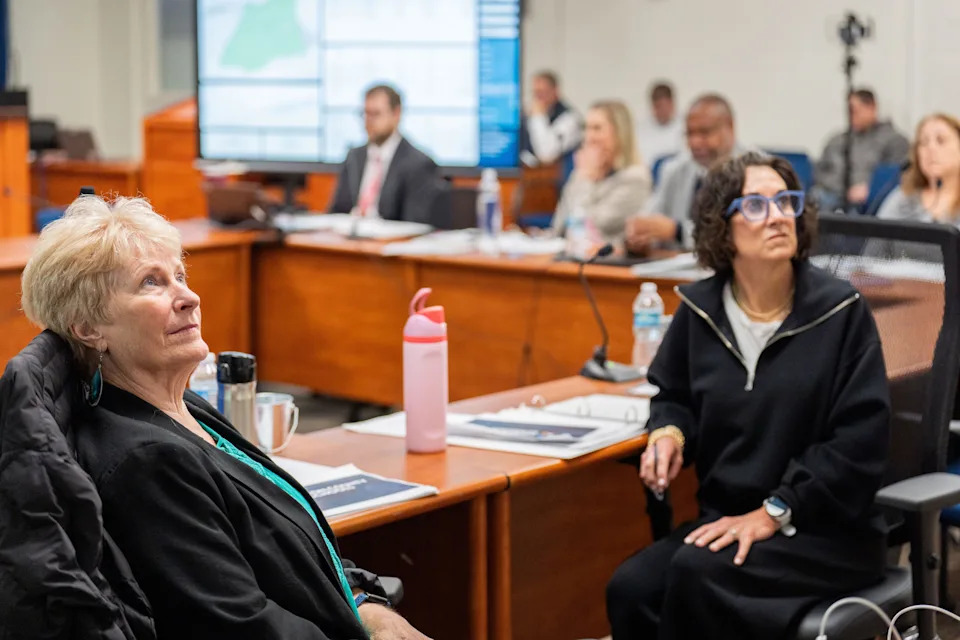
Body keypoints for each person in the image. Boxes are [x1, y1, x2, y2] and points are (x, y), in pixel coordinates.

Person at [17, 195, 431, 640]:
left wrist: (369, 606)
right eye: (151, 283)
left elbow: (290, 553)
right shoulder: (145, 462)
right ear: (87, 328)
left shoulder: (183, 406)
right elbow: (243, 626)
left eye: (180, 275)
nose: (189, 297)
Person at [606, 152, 890, 639]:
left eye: (785, 201)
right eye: (756, 205)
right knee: (630, 588)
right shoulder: (701, 311)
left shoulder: (841, 312)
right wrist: (669, 434)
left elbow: (858, 442)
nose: (778, 215)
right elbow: (673, 396)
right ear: (723, 226)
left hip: (822, 531)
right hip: (726, 519)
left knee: (696, 575)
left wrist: (775, 510)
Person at [624, 94, 742, 254]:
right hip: (672, 269)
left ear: (730, 127)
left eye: (704, 133)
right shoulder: (673, 169)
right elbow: (651, 214)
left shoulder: (755, 171)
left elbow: (739, 236)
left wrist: (678, 232)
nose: (695, 142)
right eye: (689, 134)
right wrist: (641, 233)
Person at [329, 84, 440, 224]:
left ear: (396, 114)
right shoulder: (354, 157)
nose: (368, 121)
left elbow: (414, 224)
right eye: (365, 113)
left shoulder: (419, 164)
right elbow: (336, 211)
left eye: (376, 114)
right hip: (348, 240)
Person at [550, 100, 651, 246]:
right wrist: (583, 176)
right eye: (586, 128)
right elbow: (558, 226)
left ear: (619, 133)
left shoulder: (635, 178)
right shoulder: (584, 171)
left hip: (605, 264)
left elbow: (586, 229)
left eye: (597, 129)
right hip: (569, 259)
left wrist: (585, 179)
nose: (588, 137)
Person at [868, 113, 960, 261]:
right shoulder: (901, 196)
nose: (930, 149)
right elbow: (870, 257)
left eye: (941, 140)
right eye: (923, 142)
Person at [814, 89, 910, 210]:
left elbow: (896, 177)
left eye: (856, 111)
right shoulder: (838, 141)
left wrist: (869, 189)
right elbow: (820, 171)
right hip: (830, 195)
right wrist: (843, 190)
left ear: (872, 107)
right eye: (849, 111)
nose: (852, 116)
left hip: (866, 202)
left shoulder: (895, 141)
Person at [519, 70, 583, 171]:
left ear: (555, 91)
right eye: (535, 93)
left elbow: (546, 155)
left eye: (542, 92)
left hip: (559, 178)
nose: (538, 98)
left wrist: (538, 117)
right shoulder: (528, 114)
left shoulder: (570, 118)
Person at [636, 81, 684, 163]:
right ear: (653, 106)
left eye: (666, 106)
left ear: (672, 104)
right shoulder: (640, 131)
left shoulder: (685, 126)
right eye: (659, 106)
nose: (663, 111)